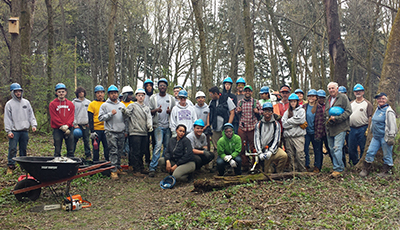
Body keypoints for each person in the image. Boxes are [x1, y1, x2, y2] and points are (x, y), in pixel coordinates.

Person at [360, 93, 398, 177]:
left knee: (387, 154)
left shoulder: (389, 111)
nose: (381, 100)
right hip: (376, 137)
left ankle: (387, 172)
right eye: (379, 99)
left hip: (385, 137)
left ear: (386, 100)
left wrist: (391, 137)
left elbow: (393, 125)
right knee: (370, 152)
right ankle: (366, 169)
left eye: (383, 98)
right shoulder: (377, 109)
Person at [4, 83, 37, 174]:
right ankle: (11, 165)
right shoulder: (9, 104)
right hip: (14, 131)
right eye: (16, 91)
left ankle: (23, 165)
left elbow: (31, 115)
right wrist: (9, 131)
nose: (18, 93)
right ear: (12, 92)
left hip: (24, 130)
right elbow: (7, 118)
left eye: (19, 91)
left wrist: (33, 125)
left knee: (23, 149)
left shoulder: (26, 102)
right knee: (12, 149)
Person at [149, 78, 176, 177]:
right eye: (160, 85)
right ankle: (152, 167)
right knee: (157, 146)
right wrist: (156, 110)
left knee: (167, 147)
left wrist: (170, 112)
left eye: (164, 85)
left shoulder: (171, 98)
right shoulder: (153, 98)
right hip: (158, 126)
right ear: (158, 87)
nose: (162, 87)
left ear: (166, 87)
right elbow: (149, 111)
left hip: (168, 126)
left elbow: (174, 110)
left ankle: (163, 165)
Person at [98, 85, 127, 180]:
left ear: (118, 94)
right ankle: (113, 170)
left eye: (115, 93)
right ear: (109, 94)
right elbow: (100, 118)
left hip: (121, 131)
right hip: (111, 132)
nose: (114, 95)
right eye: (111, 93)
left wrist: (126, 129)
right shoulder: (105, 105)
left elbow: (125, 119)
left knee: (120, 150)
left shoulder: (121, 105)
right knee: (113, 151)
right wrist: (110, 114)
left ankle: (118, 167)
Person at [122, 88, 153, 176]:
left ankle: (141, 167)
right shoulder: (132, 106)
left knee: (142, 151)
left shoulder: (146, 108)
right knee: (135, 151)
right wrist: (124, 111)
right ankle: (136, 170)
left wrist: (149, 126)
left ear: (144, 97)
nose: (140, 97)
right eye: (139, 95)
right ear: (136, 96)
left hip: (144, 132)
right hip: (135, 132)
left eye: (142, 95)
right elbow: (126, 115)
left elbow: (149, 118)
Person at [325, 82, 352, 178]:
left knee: (337, 148)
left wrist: (337, 118)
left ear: (337, 89)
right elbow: (326, 112)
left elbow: (349, 111)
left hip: (340, 127)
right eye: (329, 88)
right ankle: (337, 166)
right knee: (331, 149)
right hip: (330, 128)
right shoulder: (327, 99)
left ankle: (339, 169)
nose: (331, 90)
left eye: (333, 88)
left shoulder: (343, 98)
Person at [254, 102, 288, 173]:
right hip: (263, 151)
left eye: (269, 111)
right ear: (262, 112)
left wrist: (271, 151)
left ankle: (279, 172)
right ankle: (269, 168)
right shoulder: (259, 124)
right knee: (267, 172)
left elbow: (277, 139)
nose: (267, 113)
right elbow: (256, 139)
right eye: (265, 111)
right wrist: (260, 152)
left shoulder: (276, 124)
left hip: (273, 150)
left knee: (284, 156)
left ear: (272, 112)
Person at [235, 85, 262, 171]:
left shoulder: (255, 102)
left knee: (253, 147)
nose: (247, 92)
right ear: (243, 92)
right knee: (242, 148)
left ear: (251, 92)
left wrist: (258, 112)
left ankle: (255, 165)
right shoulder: (240, 102)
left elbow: (262, 111)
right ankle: (245, 165)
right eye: (245, 91)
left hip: (252, 127)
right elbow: (236, 111)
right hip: (242, 128)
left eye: (249, 91)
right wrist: (237, 111)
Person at [348, 84, 373, 166]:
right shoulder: (351, 104)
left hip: (363, 128)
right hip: (352, 128)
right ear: (354, 93)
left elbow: (370, 117)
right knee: (351, 147)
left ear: (363, 92)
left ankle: (362, 164)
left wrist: (368, 129)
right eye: (356, 91)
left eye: (359, 91)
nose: (358, 92)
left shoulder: (367, 104)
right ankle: (354, 164)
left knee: (363, 147)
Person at [282, 93, 307, 172]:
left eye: (294, 101)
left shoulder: (301, 110)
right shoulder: (287, 112)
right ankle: (293, 171)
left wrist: (289, 121)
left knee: (300, 154)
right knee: (291, 155)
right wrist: (295, 123)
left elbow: (301, 120)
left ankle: (302, 170)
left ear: (297, 102)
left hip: (298, 136)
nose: (293, 103)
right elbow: (284, 124)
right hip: (288, 137)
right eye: (291, 101)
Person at [49, 83, 75, 158]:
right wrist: (61, 126)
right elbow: (54, 117)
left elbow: (72, 116)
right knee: (57, 148)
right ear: (56, 93)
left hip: (69, 128)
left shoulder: (70, 104)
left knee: (70, 148)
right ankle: (57, 164)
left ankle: (71, 165)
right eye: (59, 92)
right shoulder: (52, 104)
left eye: (63, 92)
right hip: (57, 129)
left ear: (66, 93)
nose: (61, 93)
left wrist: (67, 125)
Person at [303, 89, 323, 173]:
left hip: (316, 132)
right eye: (309, 96)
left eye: (313, 96)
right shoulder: (304, 107)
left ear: (316, 97)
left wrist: (319, 134)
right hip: (306, 132)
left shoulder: (319, 108)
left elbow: (320, 122)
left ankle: (317, 166)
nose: (311, 98)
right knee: (305, 150)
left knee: (317, 150)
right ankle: (306, 165)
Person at [88, 85, 109, 162]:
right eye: (98, 93)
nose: (100, 94)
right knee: (95, 148)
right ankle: (95, 163)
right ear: (95, 94)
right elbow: (90, 118)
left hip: (106, 129)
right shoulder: (92, 104)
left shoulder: (107, 103)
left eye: (101, 92)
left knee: (107, 147)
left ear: (104, 94)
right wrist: (92, 131)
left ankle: (107, 163)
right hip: (96, 129)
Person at [72, 86, 91, 159]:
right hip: (77, 125)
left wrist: (89, 123)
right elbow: (72, 114)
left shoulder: (88, 102)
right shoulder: (74, 103)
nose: (81, 94)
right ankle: (71, 154)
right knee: (74, 140)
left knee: (86, 140)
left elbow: (90, 114)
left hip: (85, 125)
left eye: (82, 92)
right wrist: (74, 124)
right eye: (80, 92)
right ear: (77, 93)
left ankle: (88, 155)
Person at [120, 86, 134, 158]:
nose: (130, 96)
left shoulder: (133, 104)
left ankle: (128, 153)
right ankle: (122, 153)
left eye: (131, 95)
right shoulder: (120, 104)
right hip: (122, 126)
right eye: (129, 95)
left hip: (131, 126)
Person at [316, 89, 330, 159]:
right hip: (318, 132)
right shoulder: (314, 107)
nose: (321, 99)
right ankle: (318, 167)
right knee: (318, 150)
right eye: (319, 97)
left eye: (322, 98)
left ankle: (336, 165)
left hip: (326, 131)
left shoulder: (327, 107)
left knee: (330, 148)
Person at [143, 79, 155, 166]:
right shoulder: (143, 97)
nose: (149, 88)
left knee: (155, 143)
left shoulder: (155, 97)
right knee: (146, 143)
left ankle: (154, 160)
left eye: (150, 86)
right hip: (145, 123)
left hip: (154, 123)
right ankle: (147, 159)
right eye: (147, 86)